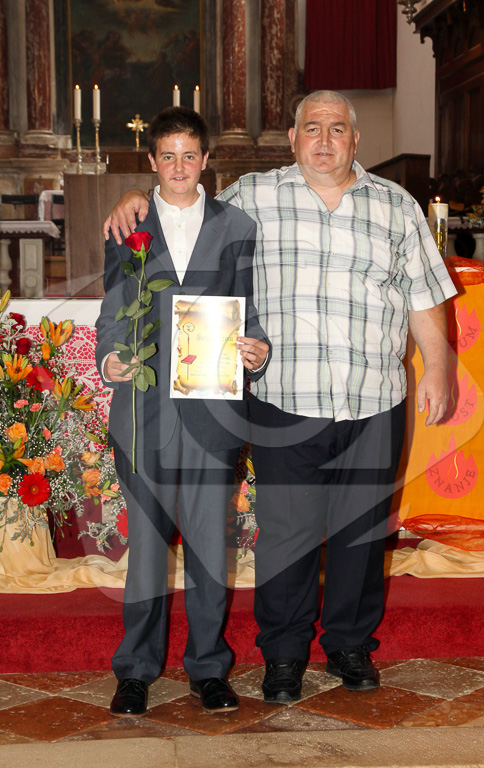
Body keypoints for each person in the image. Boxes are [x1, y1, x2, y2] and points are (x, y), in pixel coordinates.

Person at [103, 91, 456, 704]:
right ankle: (285, 656)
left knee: (362, 535)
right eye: (312, 128)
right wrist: (135, 195)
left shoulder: (396, 204)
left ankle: (350, 645)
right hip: (288, 398)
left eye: (337, 129)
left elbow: (423, 293)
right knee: (287, 538)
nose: (324, 140)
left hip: (374, 397)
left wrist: (440, 368)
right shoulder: (252, 198)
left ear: (355, 139)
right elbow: (182, 200)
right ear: (292, 139)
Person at [96, 106, 269, 717]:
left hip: (211, 412)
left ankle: (209, 669)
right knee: (146, 551)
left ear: (205, 160)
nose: (178, 167)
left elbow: (249, 310)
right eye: (166, 156)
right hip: (143, 413)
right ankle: (136, 671)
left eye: (188, 156)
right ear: (151, 161)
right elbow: (113, 308)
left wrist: (255, 349)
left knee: (208, 549)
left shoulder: (237, 226)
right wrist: (111, 359)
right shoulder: (129, 225)